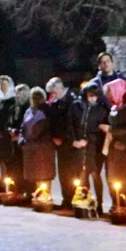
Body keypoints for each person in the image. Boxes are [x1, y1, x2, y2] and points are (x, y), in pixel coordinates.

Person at [72, 81, 110, 215]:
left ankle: (99, 204)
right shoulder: (76, 106)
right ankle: (84, 202)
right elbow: (71, 124)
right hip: (79, 146)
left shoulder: (101, 110)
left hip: (94, 147)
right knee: (82, 175)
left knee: (95, 175)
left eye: (95, 96)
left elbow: (102, 128)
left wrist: (88, 139)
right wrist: (75, 140)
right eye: (90, 95)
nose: (92, 98)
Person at [102, 77, 126, 211]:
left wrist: (111, 130)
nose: (108, 97)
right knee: (112, 176)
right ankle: (116, 202)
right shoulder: (115, 107)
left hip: (124, 147)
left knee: (124, 177)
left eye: (110, 93)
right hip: (113, 147)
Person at [45, 77, 80, 209]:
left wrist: (64, 138)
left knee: (72, 174)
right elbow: (52, 121)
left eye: (53, 92)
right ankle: (66, 199)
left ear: (59, 87)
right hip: (59, 144)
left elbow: (73, 123)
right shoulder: (56, 102)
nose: (52, 95)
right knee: (63, 173)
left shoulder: (72, 100)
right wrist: (54, 137)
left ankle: (75, 200)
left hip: (70, 143)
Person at [19, 87, 55, 190]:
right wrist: (22, 141)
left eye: (38, 97)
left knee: (44, 176)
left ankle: (46, 196)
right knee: (34, 176)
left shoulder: (47, 110)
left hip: (43, 148)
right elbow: (23, 127)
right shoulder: (28, 111)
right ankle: (37, 195)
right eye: (34, 97)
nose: (36, 99)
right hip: (30, 148)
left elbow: (50, 127)